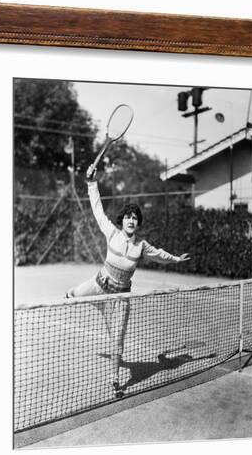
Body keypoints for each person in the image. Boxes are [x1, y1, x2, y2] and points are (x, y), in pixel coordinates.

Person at [66, 164, 190, 397]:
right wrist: (92, 183)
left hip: (121, 298)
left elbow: (160, 255)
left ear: (137, 223)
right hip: (98, 285)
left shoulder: (141, 246)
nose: (131, 221)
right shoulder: (111, 233)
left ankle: (115, 380)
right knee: (74, 296)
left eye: (135, 218)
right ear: (121, 220)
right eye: (128, 217)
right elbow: (97, 210)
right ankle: (74, 293)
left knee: (118, 339)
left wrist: (176, 259)